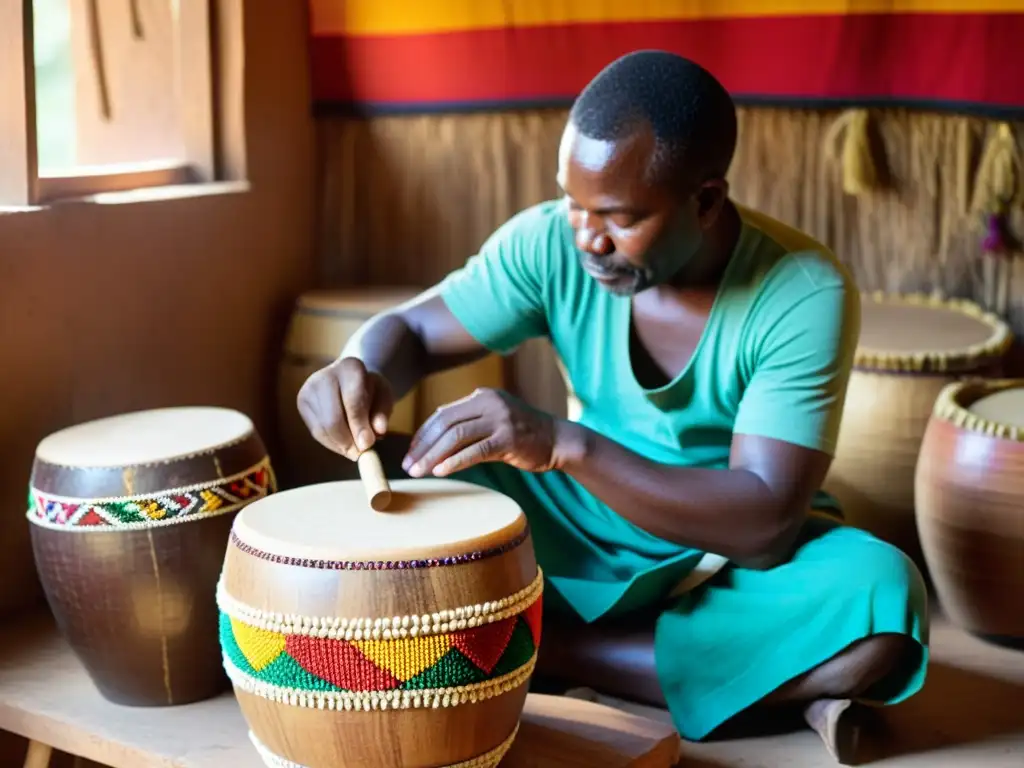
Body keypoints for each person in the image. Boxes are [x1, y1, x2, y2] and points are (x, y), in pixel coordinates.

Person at [296, 50, 928, 765]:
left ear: (707, 200)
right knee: (407, 487)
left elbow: (764, 524)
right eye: (574, 205)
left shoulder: (800, 292)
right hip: (575, 523)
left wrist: (564, 444)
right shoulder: (552, 243)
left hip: (716, 546)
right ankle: (756, 683)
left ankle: (548, 649)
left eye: (620, 219)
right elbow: (410, 329)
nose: (588, 238)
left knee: (881, 596)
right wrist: (358, 366)